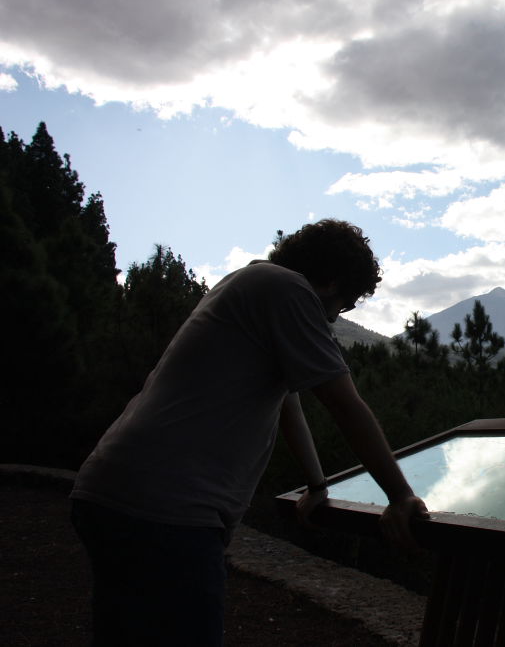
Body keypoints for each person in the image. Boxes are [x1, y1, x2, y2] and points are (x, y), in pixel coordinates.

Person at [70, 219, 428, 647]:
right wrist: (400, 496)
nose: (335, 316)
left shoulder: (248, 284)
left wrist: (317, 485)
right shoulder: (286, 289)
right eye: (345, 303)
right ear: (331, 280)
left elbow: (287, 402)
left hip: (113, 492)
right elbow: (343, 403)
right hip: (168, 510)